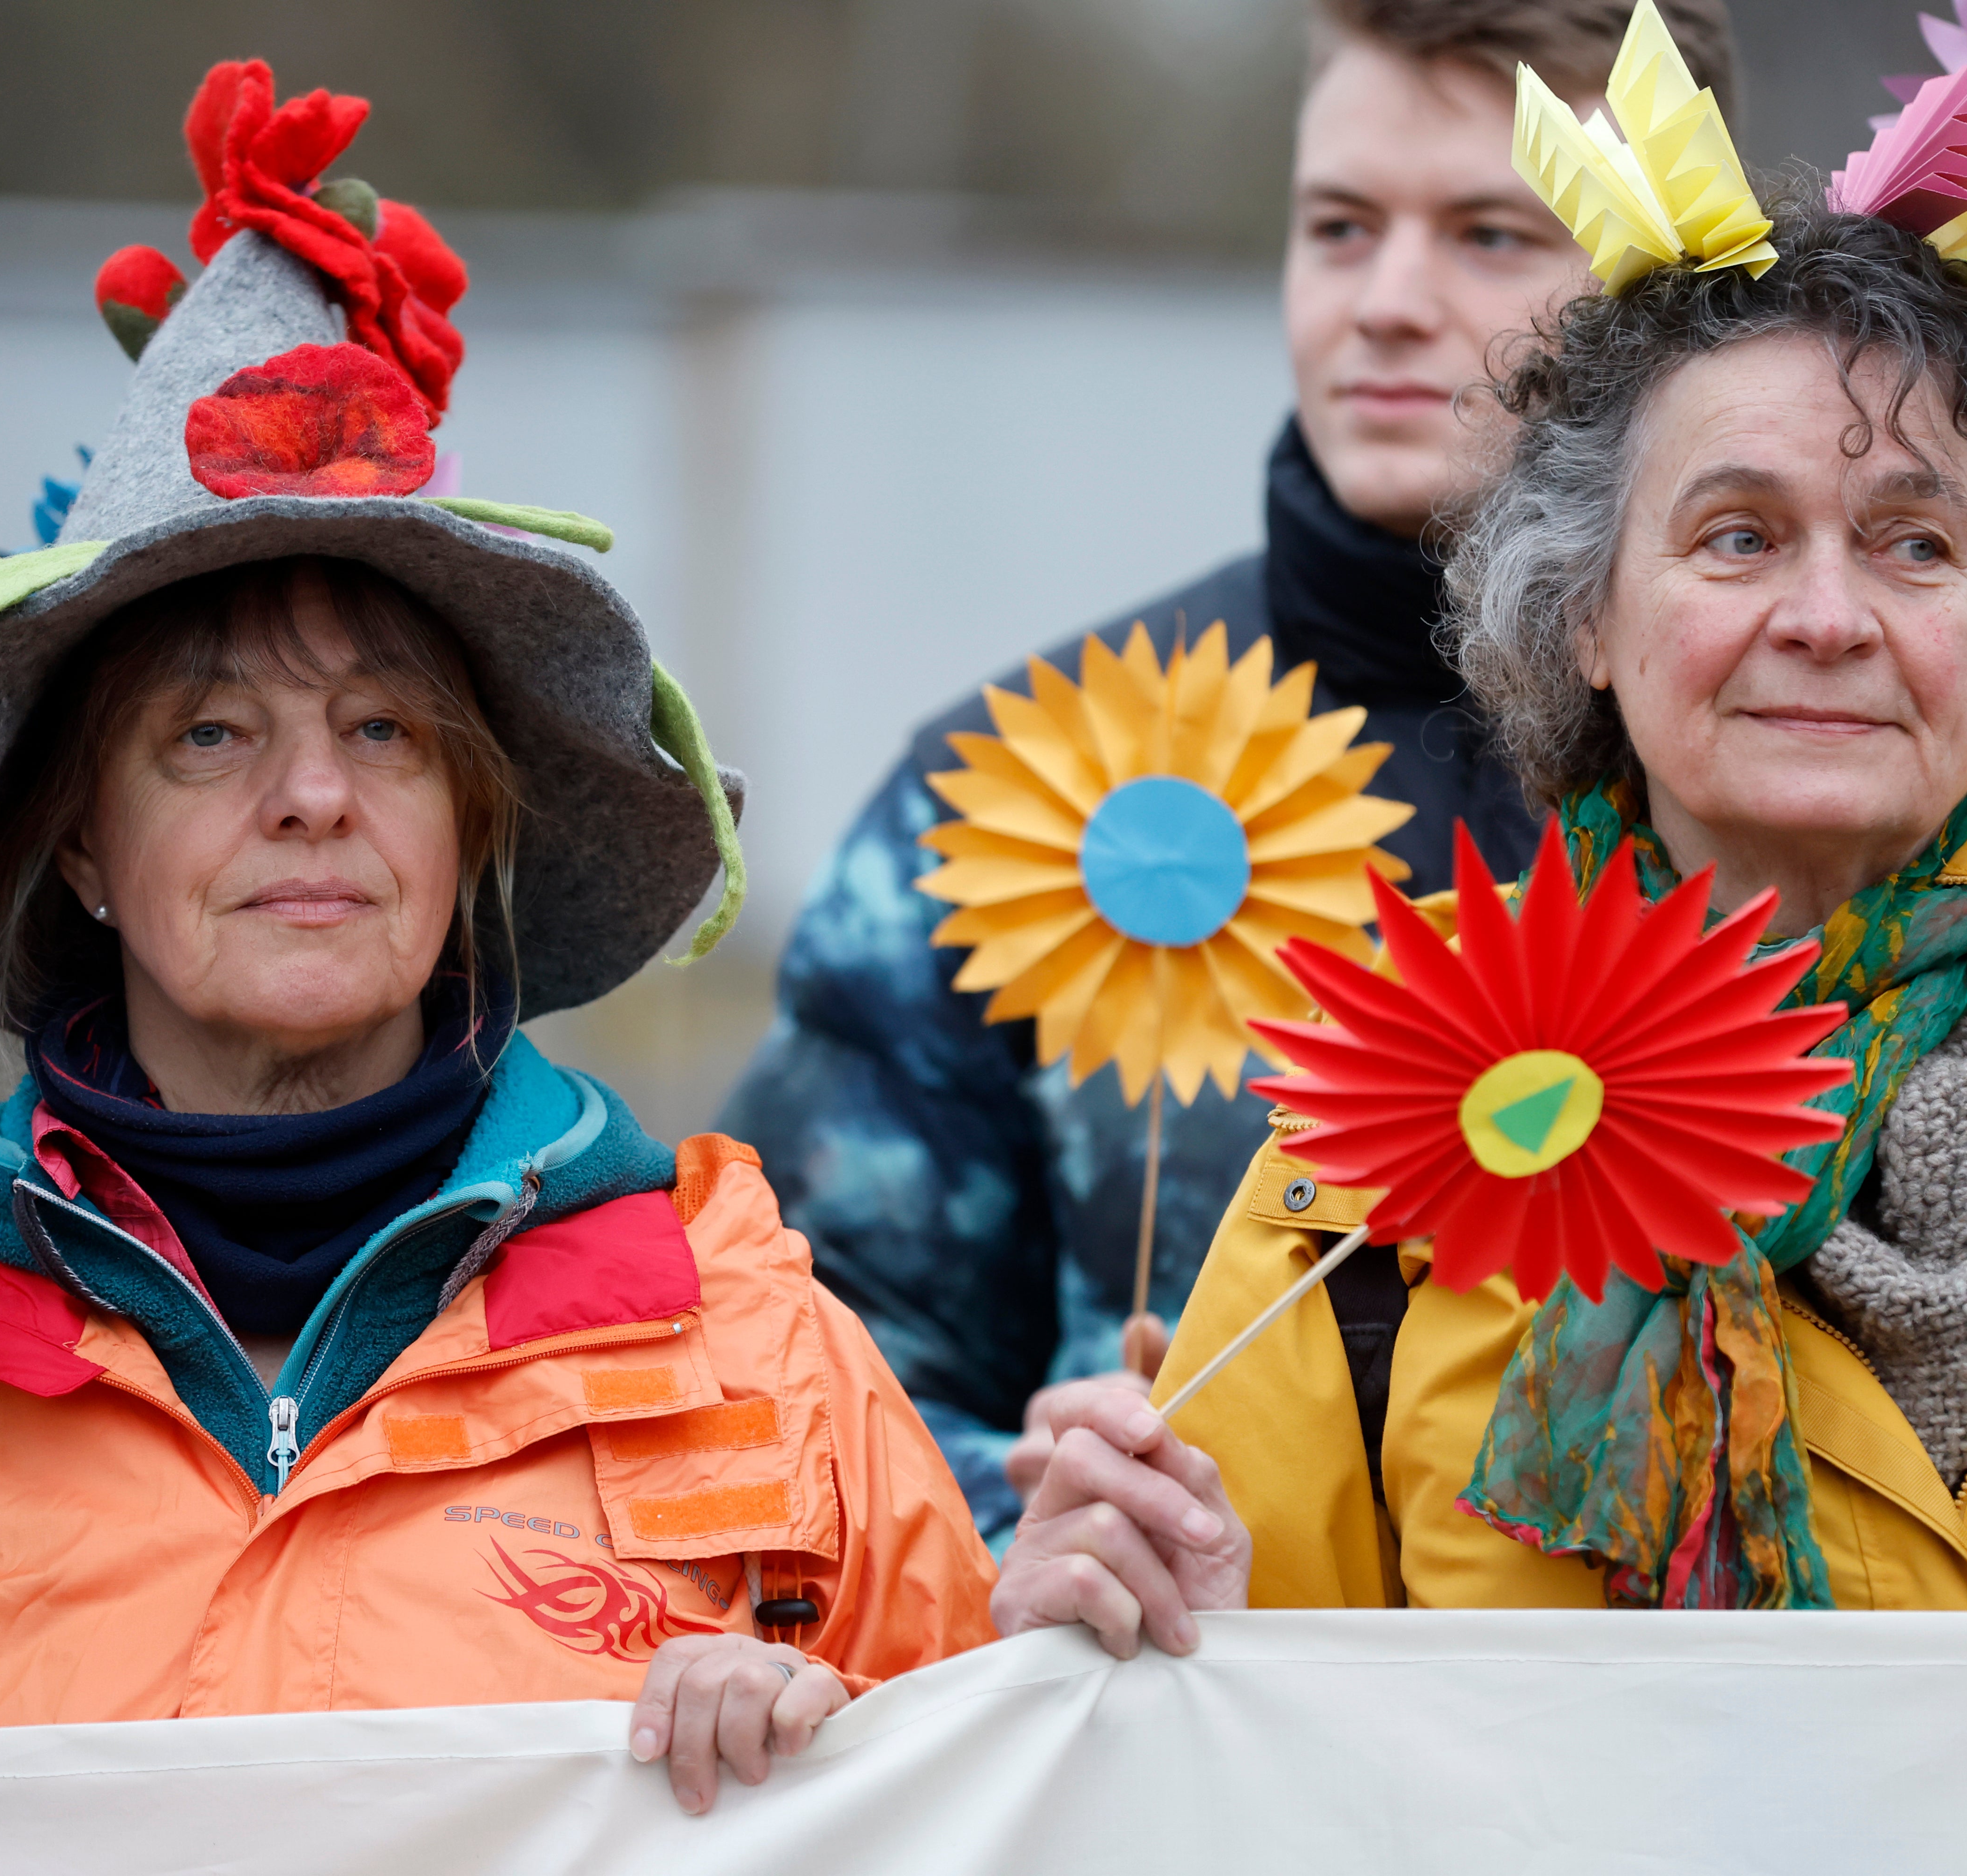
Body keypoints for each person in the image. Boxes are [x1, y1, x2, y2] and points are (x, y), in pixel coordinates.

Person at [0, 59, 994, 1849]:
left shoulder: (766, 1361)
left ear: (469, 834)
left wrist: (862, 1756)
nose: (308, 800)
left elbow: (996, 1814)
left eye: (386, 734)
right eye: (207, 736)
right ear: (82, 853)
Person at [995, 155, 1967, 1723]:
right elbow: (1243, 1757)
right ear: (1588, 619)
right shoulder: (1383, 1126)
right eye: (1738, 536)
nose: (1828, 615)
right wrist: (1149, 1629)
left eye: (1916, 544)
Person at [716, 0, 1736, 1543]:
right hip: (1161, 1749)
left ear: (1673, 282)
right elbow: (784, 1374)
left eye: (1491, 236)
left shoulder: (1803, 775)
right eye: (1339, 227)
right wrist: (1026, 1520)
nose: (1387, 303)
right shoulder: (1023, 787)